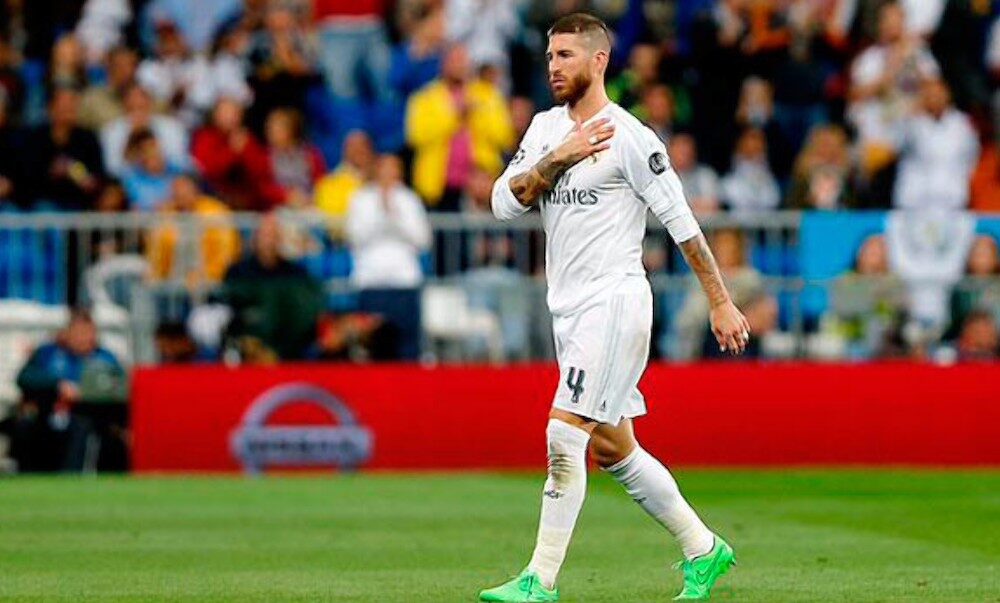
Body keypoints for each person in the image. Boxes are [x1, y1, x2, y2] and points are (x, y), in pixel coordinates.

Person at [481, 13, 749, 602]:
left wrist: (720, 301)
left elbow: (683, 224)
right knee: (612, 446)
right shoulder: (546, 129)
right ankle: (703, 548)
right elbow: (504, 202)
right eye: (550, 57)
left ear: (599, 61)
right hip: (568, 309)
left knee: (563, 432)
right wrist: (559, 157)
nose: (554, 67)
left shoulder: (632, 137)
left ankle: (539, 580)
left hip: (615, 301)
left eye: (566, 56)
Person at [10, 309, 125, 472]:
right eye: (79, 333)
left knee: (83, 427)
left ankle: (71, 476)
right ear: (68, 333)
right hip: (47, 414)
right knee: (24, 425)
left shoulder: (106, 358)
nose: (84, 338)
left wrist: (85, 394)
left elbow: (119, 390)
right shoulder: (48, 352)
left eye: (88, 333)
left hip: (87, 416)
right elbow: (25, 377)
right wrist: (58, 385)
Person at [405, 43, 514, 210]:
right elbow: (416, 136)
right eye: (454, 61)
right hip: (438, 187)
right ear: (443, 64)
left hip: (480, 185)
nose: (459, 66)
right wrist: (455, 117)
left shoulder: (488, 95)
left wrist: (476, 115)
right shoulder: (424, 98)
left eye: (462, 60)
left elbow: (503, 136)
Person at [346, 154, 431, 361]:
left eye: (394, 168)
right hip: (371, 281)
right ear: (377, 170)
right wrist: (381, 217)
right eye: (385, 168)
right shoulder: (361, 199)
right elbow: (355, 237)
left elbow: (423, 239)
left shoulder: (409, 199)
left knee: (407, 348)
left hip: (404, 281)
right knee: (370, 346)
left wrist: (394, 217)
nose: (389, 173)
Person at [222, 213, 323, 362]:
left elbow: (303, 316)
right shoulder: (238, 272)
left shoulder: (295, 273)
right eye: (265, 235)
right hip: (247, 346)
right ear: (255, 238)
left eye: (273, 236)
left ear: (280, 240)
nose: (268, 241)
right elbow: (230, 309)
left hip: (288, 350)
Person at [892, 78, 979, 210]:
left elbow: (972, 157)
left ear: (948, 95)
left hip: (952, 199)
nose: (934, 99)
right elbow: (897, 144)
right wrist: (913, 113)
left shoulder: (962, 124)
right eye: (930, 94)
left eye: (938, 94)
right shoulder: (911, 122)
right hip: (914, 201)